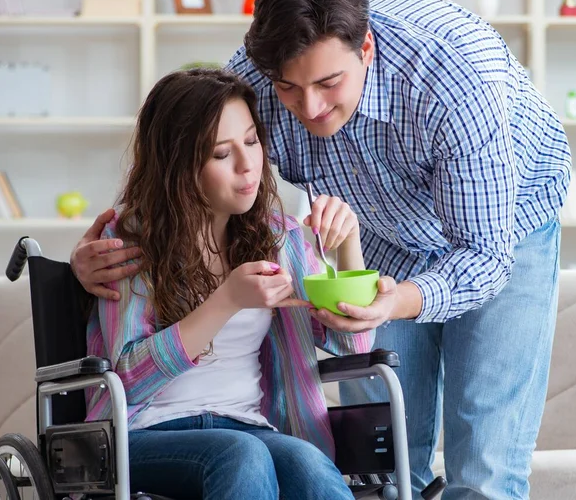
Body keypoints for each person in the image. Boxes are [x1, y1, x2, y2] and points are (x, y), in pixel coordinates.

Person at [72, 0, 571, 499]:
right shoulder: (251, 85)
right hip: (381, 230)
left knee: (485, 469)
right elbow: (188, 137)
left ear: (367, 50)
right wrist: (84, 257)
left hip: (501, 231)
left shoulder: (454, 86)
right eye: (288, 89)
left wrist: (389, 292)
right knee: (393, 461)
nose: (308, 109)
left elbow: (482, 256)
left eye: (329, 83)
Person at [84, 68, 374, 500]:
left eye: (252, 142)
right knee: (241, 455)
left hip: (248, 425)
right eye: (222, 153)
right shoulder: (130, 243)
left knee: (309, 463)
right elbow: (126, 378)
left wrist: (349, 243)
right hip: (143, 433)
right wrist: (226, 301)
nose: (247, 165)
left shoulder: (281, 238)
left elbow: (354, 346)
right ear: (180, 166)